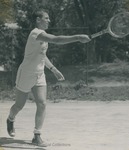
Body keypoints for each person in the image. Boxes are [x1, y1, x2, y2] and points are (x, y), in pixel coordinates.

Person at [6, 9, 91, 147]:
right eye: (46, 18)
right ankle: (10, 119)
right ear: (38, 20)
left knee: (42, 103)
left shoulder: (42, 36)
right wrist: (78, 37)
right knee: (19, 105)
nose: (49, 20)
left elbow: (41, 55)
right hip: (26, 73)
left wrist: (53, 69)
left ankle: (37, 135)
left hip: (39, 74)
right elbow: (56, 39)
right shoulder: (35, 33)